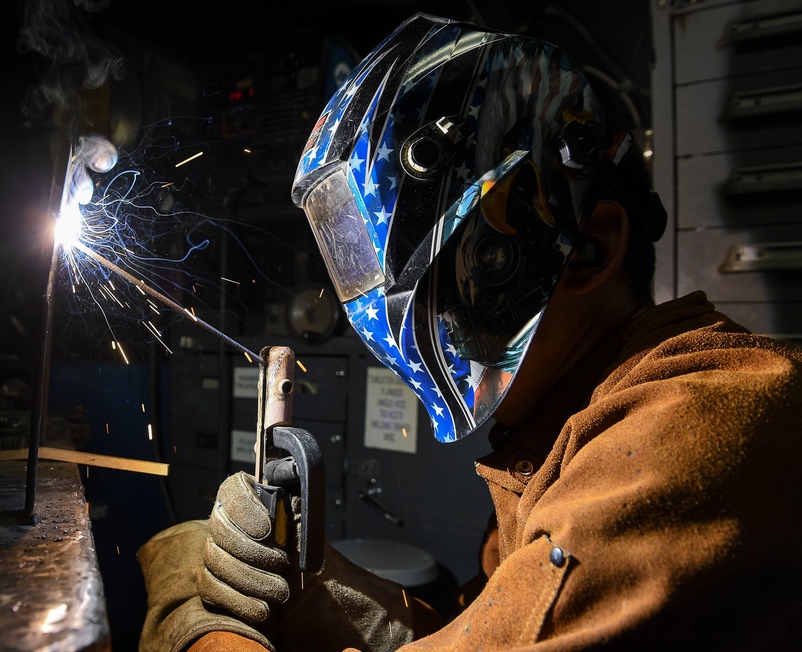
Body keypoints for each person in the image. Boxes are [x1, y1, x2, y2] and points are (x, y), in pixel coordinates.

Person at [137, 13, 802, 651]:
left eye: (451, 281)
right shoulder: (559, 437)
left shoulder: (684, 440)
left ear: (591, 248)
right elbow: (487, 629)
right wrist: (319, 588)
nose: (416, 325)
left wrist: (205, 635)